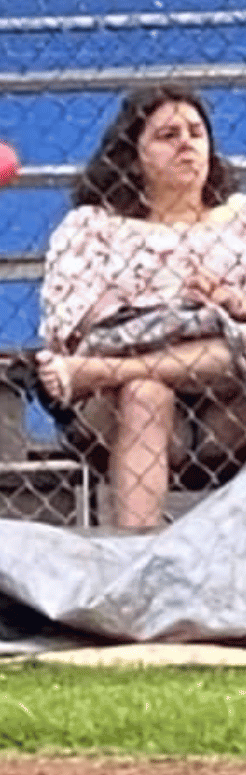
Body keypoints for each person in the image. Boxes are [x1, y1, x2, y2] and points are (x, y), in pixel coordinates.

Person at [35, 83, 246, 530]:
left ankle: (120, 372)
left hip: (232, 400)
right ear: (134, 155)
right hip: (118, 406)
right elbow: (80, 325)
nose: (187, 143)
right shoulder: (95, 227)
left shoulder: (241, 222)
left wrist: (231, 301)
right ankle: (136, 555)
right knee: (146, 392)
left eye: (196, 132)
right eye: (168, 135)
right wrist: (187, 319)